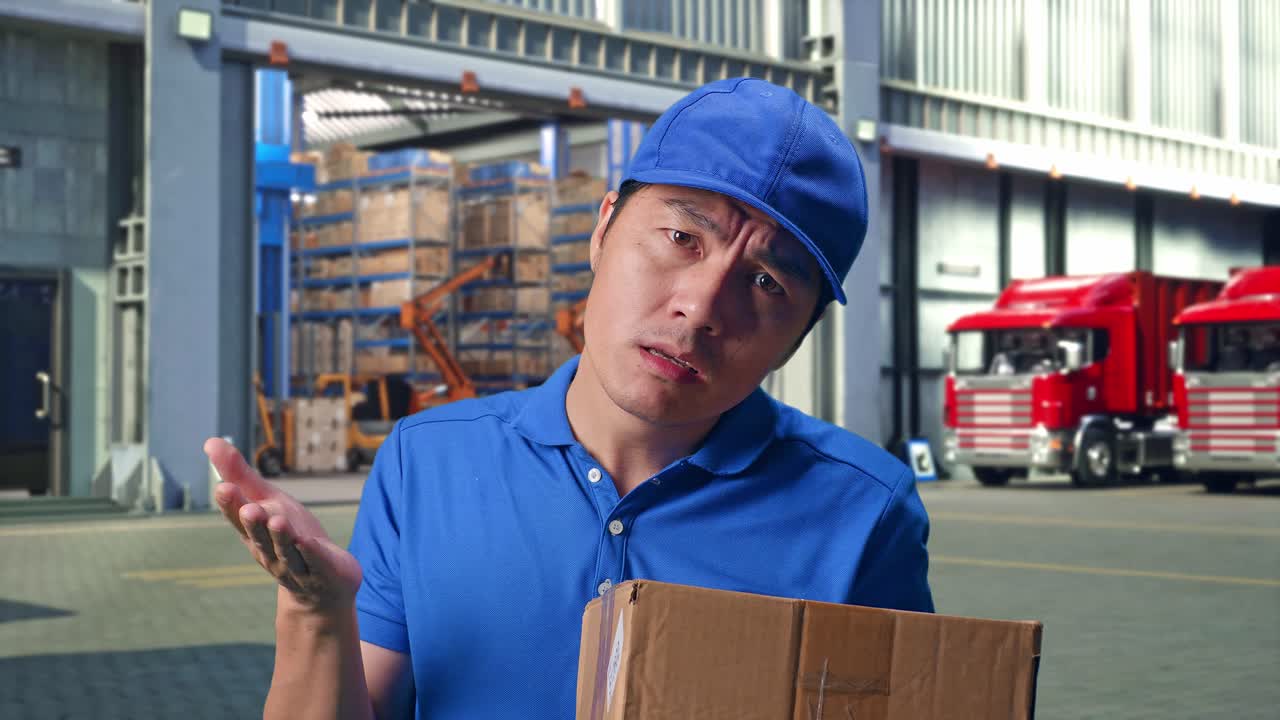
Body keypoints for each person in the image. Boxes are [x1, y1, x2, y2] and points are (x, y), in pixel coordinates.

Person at [206, 77, 933, 720]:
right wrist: (316, 612)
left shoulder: (863, 514)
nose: (702, 306)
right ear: (604, 226)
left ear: (802, 333)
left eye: (767, 282)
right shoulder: (428, 462)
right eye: (683, 237)